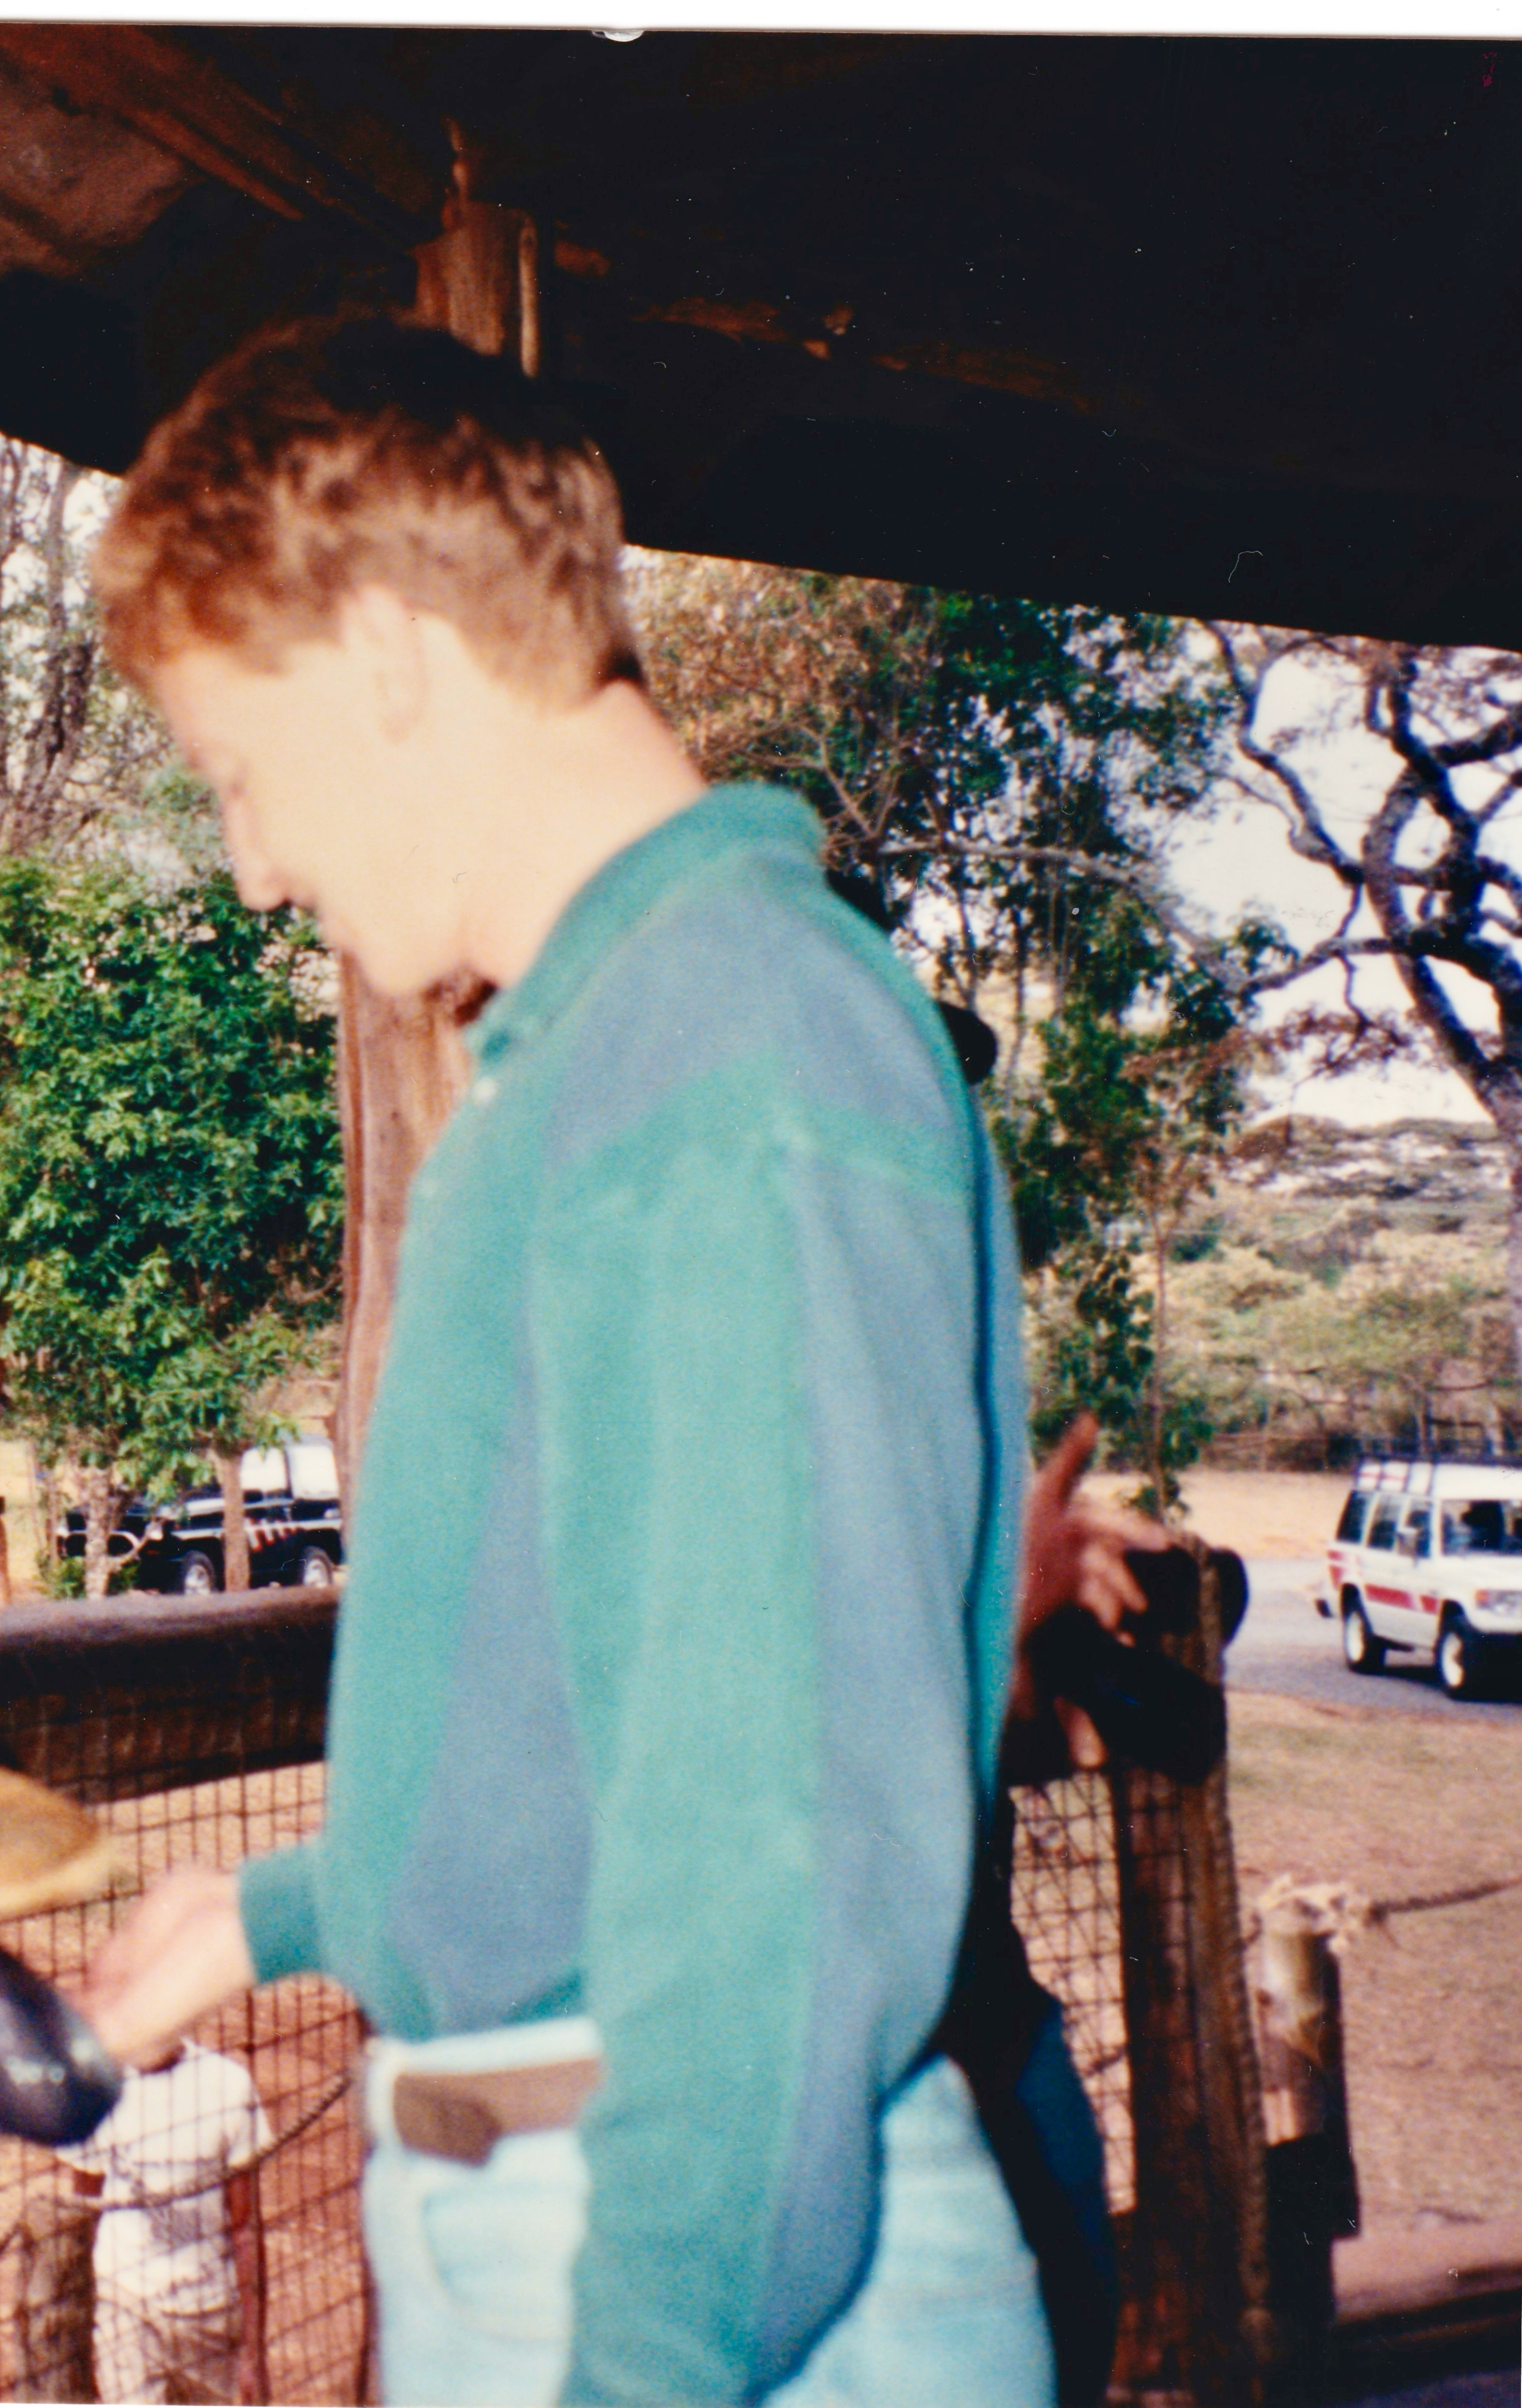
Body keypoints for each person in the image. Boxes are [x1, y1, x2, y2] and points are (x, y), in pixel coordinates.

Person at [75, 309, 1056, 2407]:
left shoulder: (722, 1057)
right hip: (574, 2210)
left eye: (240, 770)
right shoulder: (628, 1050)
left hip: (695, 2282)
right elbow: (623, 1705)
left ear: (388, 663)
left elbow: (769, 1847)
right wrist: (289, 1906)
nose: (256, 861)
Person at [56, 2035, 273, 2405]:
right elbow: (83, 2216)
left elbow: (245, 2228)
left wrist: (254, 2355)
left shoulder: (228, 2086)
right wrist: (77, 2331)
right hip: (126, 2305)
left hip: (208, 2314)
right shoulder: (95, 2087)